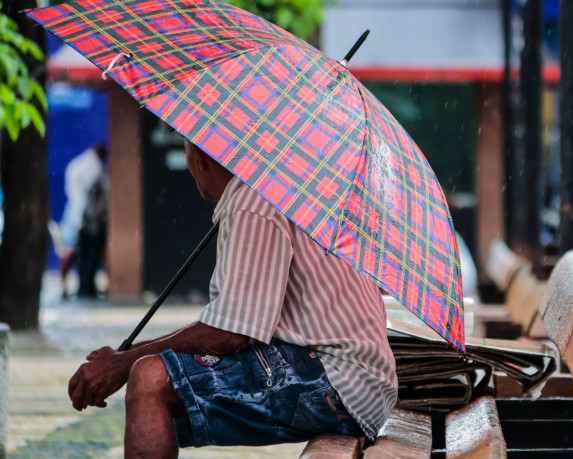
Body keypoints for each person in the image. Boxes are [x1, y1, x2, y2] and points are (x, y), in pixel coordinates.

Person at [67, 140, 398, 457]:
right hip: (360, 383)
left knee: (151, 378)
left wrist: (125, 363)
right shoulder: (283, 184)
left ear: (200, 157)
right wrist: (127, 357)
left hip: (341, 382)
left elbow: (230, 334)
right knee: (157, 373)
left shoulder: (253, 198)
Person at [59, 142, 108, 298]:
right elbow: (95, 196)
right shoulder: (94, 168)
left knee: (79, 253)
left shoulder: (79, 165)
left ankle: (80, 287)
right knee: (84, 254)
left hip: (79, 216)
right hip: (88, 221)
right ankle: (84, 288)